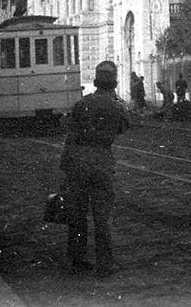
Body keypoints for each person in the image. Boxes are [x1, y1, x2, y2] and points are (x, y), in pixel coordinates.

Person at [60, 60, 130, 276]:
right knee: (102, 215)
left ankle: (78, 258)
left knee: (78, 213)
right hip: (102, 160)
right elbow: (125, 126)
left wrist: (65, 166)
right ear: (114, 82)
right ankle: (105, 264)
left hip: (79, 161)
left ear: (95, 80)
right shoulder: (118, 106)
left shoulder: (82, 104)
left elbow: (71, 135)